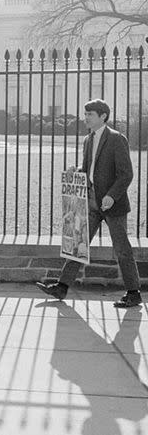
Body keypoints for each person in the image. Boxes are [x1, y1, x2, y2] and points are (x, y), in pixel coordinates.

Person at [37, 99, 143, 308]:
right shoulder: (87, 139)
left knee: (122, 248)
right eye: (85, 114)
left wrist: (112, 196)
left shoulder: (116, 139)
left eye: (90, 114)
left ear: (103, 116)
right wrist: (74, 171)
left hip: (112, 204)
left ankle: (133, 292)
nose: (85, 118)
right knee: (79, 245)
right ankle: (62, 287)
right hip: (92, 200)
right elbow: (88, 168)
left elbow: (126, 174)